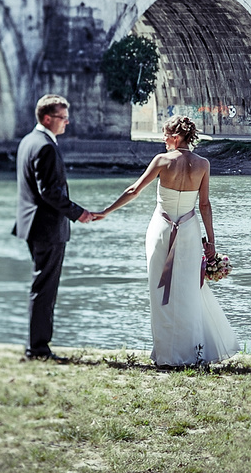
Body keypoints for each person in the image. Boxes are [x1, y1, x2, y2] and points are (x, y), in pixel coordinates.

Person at [99, 115, 237, 366]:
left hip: (161, 229)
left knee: (160, 291)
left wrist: (105, 211)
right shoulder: (203, 164)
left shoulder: (162, 160)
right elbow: (205, 205)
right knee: (188, 291)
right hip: (190, 230)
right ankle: (193, 352)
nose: (163, 140)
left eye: (165, 135)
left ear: (176, 136)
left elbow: (134, 190)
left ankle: (166, 355)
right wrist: (211, 244)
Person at [13, 94, 103, 361]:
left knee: (41, 286)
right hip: (47, 228)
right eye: (63, 118)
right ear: (48, 118)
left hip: (33, 225)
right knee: (44, 289)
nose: (67, 122)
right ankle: (38, 349)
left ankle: (37, 346)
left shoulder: (29, 141)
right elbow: (49, 193)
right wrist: (80, 214)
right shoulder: (45, 147)